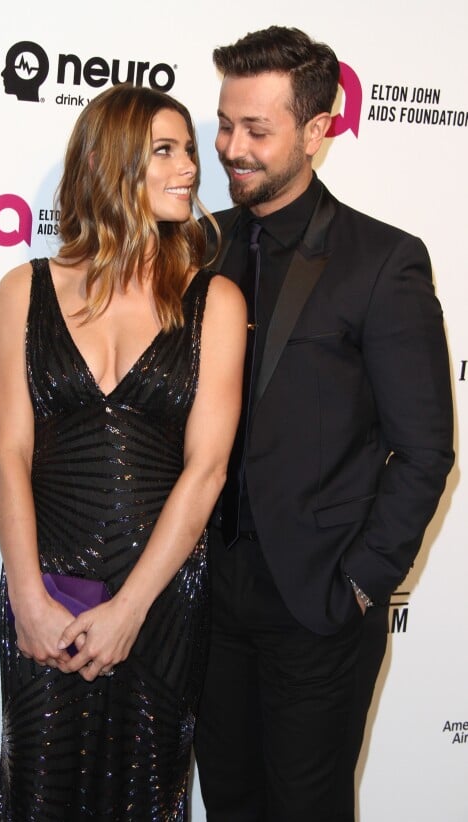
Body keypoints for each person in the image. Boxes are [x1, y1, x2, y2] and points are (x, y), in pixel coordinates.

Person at [193, 25, 454, 822]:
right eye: (226, 123)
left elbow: (425, 448)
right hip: (206, 594)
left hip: (317, 599)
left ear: (316, 131)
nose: (232, 148)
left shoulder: (382, 261)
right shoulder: (198, 248)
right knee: (229, 799)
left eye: (257, 130)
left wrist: (362, 582)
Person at [0, 84, 246, 820]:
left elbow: (207, 470)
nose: (190, 168)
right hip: (49, 595)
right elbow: (9, 452)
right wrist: (28, 597)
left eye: (189, 151)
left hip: (160, 601)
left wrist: (132, 608)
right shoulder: (24, 290)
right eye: (165, 150)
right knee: (40, 789)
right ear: (108, 161)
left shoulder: (213, 301)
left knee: (144, 792)